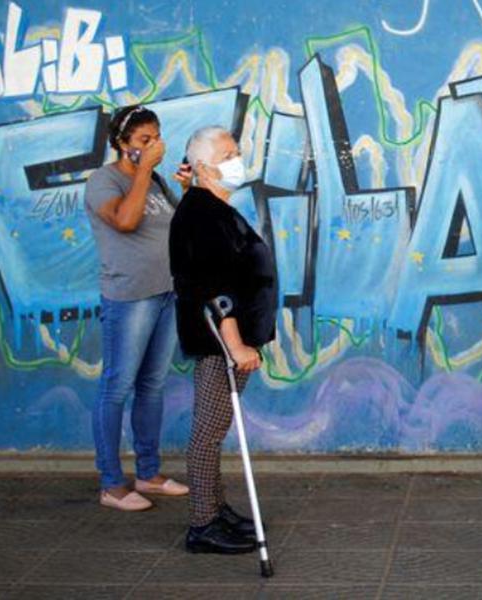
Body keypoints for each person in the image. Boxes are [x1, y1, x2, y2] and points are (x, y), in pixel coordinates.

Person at [170, 125, 276, 553]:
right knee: (209, 431)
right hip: (219, 344)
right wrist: (235, 346)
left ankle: (216, 508)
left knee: (214, 427)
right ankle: (202, 524)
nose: (237, 159)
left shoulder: (210, 207)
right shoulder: (202, 213)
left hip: (229, 341)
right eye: (228, 153)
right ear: (201, 167)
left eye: (236, 151)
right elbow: (215, 289)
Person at [84, 105, 191, 511]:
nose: (153, 146)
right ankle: (111, 484)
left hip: (166, 294)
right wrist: (144, 170)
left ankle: (148, 473)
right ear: (120, 143)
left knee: (152, 385)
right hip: (130, 298)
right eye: (143, 140)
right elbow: (126, 222)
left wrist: (184, 191)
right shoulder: (102, 181)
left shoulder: (158, 183)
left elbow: (177, 228)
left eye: (156, 138)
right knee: (116, 387)